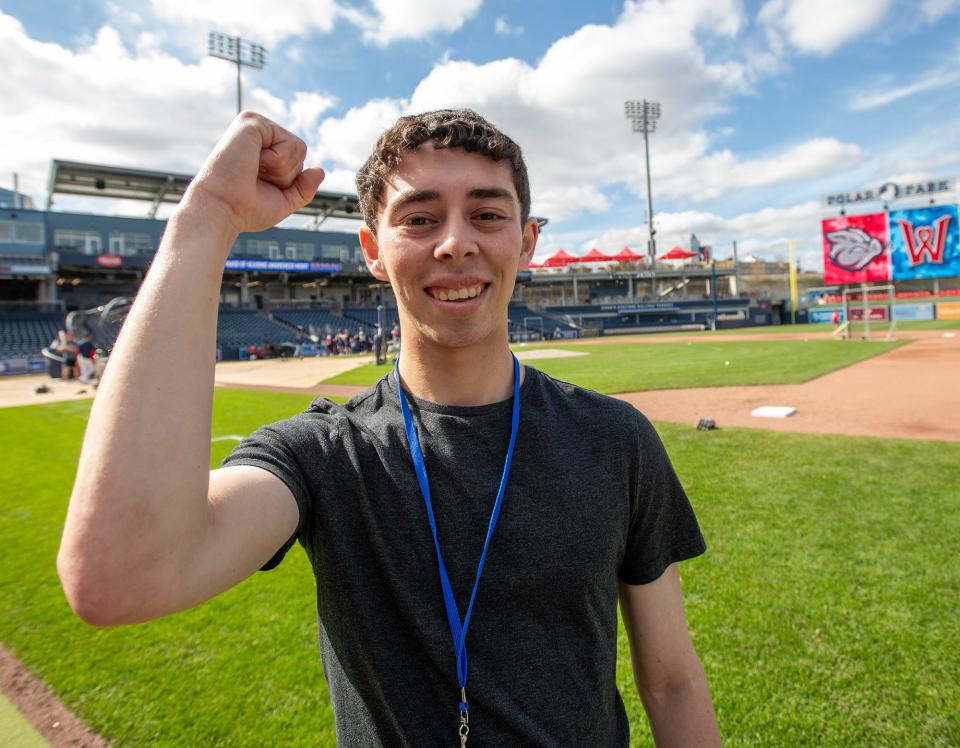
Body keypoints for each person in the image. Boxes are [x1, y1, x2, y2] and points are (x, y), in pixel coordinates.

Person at [59, 109, 720, 746]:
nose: (456, 241)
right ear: (374, 251)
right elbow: (120, 577)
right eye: (420, 218)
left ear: (525, 241)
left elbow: (671, 682)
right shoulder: (322, 454)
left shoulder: (617, 440)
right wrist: (206, 217)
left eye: (487, 214)